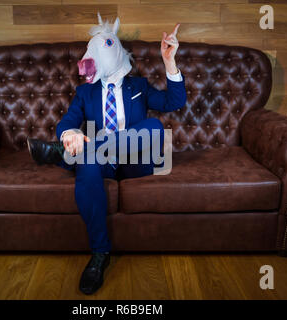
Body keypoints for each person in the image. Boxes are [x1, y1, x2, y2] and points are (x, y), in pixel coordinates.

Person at [27, 13, 187, 295]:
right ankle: (99, 256)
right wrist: (69, 134)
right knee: (88, 162)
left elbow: (174, 101)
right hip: (102, 162)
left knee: (153, 127)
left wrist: (169, 61)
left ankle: (61, 154)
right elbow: (66, 122)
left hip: (136, 159)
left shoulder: (138, 86)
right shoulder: (84, 93)